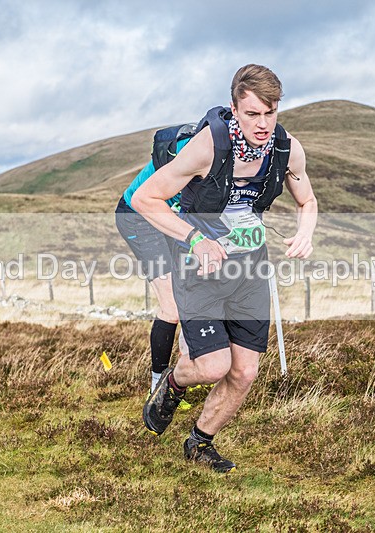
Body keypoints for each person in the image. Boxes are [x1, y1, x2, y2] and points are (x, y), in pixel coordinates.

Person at [135, 64, 318, 472]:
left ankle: (200, 442)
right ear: (235, 108)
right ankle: (175, 381)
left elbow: (308, 201)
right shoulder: (206, 147)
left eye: (269, 113)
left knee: (245, 371)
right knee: (213, 364)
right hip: (199, 268)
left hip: (250, 270)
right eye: (252, 114)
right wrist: (195, 239)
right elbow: (146, 199)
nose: (262, 124)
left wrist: (306, 231)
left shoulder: (287, 148)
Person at [115, 141, 193, 409]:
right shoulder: (200, 150)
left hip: (169, 216)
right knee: (171, 306)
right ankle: (158, 389)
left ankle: (183, 378)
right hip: (136, 215)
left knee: (190, 295)